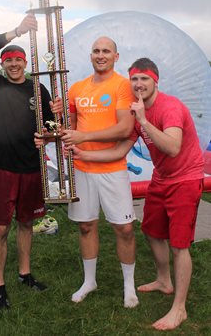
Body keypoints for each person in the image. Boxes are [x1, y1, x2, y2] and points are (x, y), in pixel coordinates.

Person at [69, 57, 204, 331]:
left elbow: (173, 147)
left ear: (156, 81)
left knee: (179, 245)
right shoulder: (137, 111)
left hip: (186, 179)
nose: (139, 84)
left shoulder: (170, 107)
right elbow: (120, 151)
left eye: (144, 79)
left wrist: (143, 120)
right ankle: (164, 280)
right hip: (161, 178)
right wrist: (84, 154)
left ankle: (179, 309)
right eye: (134, 79)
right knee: (152, 231)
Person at [0, 14, 62, 310]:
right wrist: (17, 31)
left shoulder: (37, 89)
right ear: (3, 65)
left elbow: (52, 129)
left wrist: (50, 131)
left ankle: (24, 274)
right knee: (1, 228)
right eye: (9, 61)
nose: (13, 64)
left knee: (26, 222)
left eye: (18, 60)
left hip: (31, 167)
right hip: (2, 165)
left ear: (25, 63)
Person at [60, 36, 139, 308]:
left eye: (106, 51)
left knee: (125, 228)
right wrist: (59, 119)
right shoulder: (77, 88)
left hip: (112, 169)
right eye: (96, 50)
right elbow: (68, 127)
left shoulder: (122, 85)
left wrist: (83, 137)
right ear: (90, 55)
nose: (100, 55)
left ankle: (129, 286)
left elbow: (124, 129)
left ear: (116, 56)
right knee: (86, 226)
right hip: (82, 168)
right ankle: (89, 281)